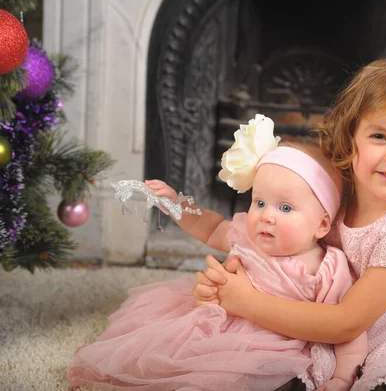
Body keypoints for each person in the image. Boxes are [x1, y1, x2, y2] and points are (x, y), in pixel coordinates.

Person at [193, 58, 386, 391]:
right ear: (350, 137)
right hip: (319, 323)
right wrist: (235, 277)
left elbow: (347, 324)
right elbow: (276, 234)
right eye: (380, 136)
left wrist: (246, 301)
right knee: (260, 369)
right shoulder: (337, 191)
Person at [67, 114, 368, 391]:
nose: (266, 216)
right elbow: (209, 226)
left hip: (279, 343)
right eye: (259, 202)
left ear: (322, 224)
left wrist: (343, 377)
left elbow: (348, 330)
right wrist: (174, 205)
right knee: (167, 348)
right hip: (221, 324)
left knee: (246, 378)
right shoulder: (248, 236)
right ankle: (112, 362)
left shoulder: (328, 267)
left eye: (285, 207)